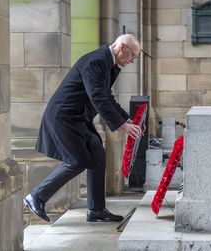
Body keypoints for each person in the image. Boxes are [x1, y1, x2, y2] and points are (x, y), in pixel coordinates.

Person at [23, 34, 143, 222]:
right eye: (133, 56)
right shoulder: (96, 61)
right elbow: (98, 97)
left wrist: (126, 120)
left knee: (97, 154)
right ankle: (36, 197)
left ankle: (96, 209)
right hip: (64, 117)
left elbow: (106, 96)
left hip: (78, 118)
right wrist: (120, 125)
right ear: (122, 47)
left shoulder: (108, 64)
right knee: (78, 160)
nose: (132, 61)